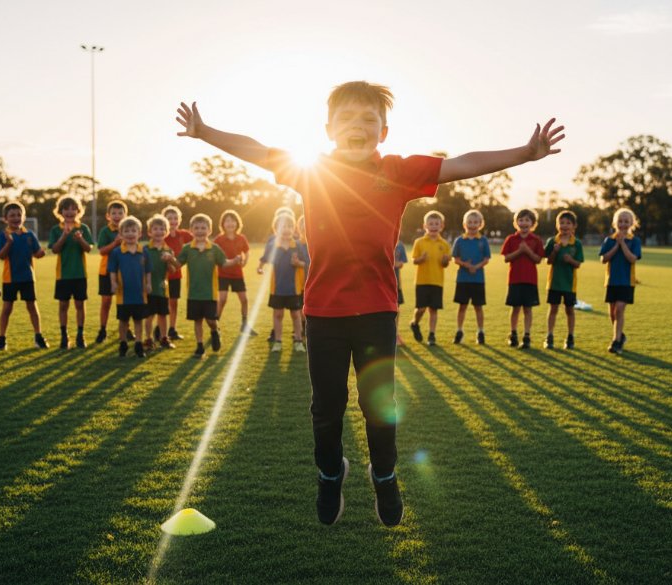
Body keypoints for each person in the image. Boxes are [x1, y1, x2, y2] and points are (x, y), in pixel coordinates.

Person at [175, 80, 564, 526]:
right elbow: (258, 150)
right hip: (323, 313)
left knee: (379, 406)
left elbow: (464, 163)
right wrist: (205, 132)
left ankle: (384, 476)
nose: (356, 126)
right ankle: (329, 473)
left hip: (377, 312)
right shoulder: (311, 171)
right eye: (346, 118)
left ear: (383, 131)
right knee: (326, 410)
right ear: (328, 129)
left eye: (368, 119)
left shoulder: (399, 171)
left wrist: (523, 152)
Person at [173, 214, 244, 359]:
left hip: (210, 293)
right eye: (196, 228)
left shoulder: (214, 249)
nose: (200, 231)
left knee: (211, 320)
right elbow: (178, 265)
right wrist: (170, 259)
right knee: (197, 320)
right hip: (193, 293)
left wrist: (235, 260)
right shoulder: (187, 249)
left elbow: (224, 263)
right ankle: (199, 347)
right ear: (191, 230)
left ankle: (214, 331)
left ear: (209, 230)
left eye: (203, 228)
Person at [0, 201, 48, 350]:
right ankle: (2, 338)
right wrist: (9, 243)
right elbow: (1, 256)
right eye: (12, 215)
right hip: (10, 278)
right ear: (5, 218)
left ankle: (38, 336)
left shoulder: (29, 235)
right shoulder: (3, 235)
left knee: (32, 306)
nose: (16, 218)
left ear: (23, 217)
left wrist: (41, 253)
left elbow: (37, 253)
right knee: (7, 309)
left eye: (19, 215)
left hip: (27, 277)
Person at [48, 196, 94, 349]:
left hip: (80, 274)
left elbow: (89, 248)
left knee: (80, 305)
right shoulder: (56, 229)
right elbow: (54, 249)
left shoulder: (83, 228)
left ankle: (80, 335)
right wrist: (64, 235)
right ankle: (64, 336)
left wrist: (80, 239)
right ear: (60, 211)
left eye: (73, 208)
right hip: (63, 275)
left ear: (78, 211)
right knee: (63, 306)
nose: (70, 211)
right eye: (66, 208)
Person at [259, 214, 309, 352]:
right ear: (276, 229)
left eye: (289, 226)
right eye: (283, 226)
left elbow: (306, 263)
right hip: (277, 288)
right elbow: (264, 258)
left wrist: (298, 263)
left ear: (294, 229)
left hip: (294, 288)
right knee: (278, 314)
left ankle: (298, 340)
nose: (286, 229)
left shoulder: (297, 245)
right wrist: (260, 267)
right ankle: (278, 341)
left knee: (296, 314)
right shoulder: (273, 245)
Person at [600, 207, 642, 355]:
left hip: (626, 282)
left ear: (632, 223)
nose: (623, 224)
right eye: (620, 221)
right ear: (615, 223)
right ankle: (621, 335)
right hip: (611, 281)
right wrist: (616, 245)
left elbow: (632, 259)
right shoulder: (609, 240)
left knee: (619, 309)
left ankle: (616, 341)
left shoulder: (635, 241)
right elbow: (603, 259)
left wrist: (623, 244)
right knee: (612, 313)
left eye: (626, 221)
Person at [108, 216, 151, 358]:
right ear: (120, 234)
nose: (130, 234)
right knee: (123, 321)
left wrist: (148, 284)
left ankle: (139, 344)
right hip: (123, 294)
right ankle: (123, 343)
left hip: (139, 293)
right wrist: (113, 283)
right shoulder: (116, 252)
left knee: (138, 320)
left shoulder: (144, 251)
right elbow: (112, 270)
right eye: (126, 231)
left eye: (134, 231)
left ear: (139, 234)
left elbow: (148, 271)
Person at [501, 209, 545, 349]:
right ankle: (513, 334)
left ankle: (526, 336)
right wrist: (519, 251)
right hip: (514, 279)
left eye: (527, 220)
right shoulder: (511, 239)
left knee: (528, 309)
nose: (524, 223)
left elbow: (538, 259)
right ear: (516, 223)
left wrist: (527, 251)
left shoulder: (536, 240)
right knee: (515, 308)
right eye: (521, 220)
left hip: (530, 280)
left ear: (533, 223)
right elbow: (506, 258)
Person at [542, 210, 584, 350]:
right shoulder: (552, 241)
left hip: (569, 285)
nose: (564, 226)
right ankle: (549, 336)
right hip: (554, 283)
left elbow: (578, 264)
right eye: (562, 222)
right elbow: (548, 261)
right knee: (553, 309)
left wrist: (570, 260)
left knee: (569, 310)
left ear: (574, 226)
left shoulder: (576, 244)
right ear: (557, 225)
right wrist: (554, 251)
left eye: (568, 223)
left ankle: (570, 337)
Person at [410, 211, 451, 346]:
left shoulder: (444, 244)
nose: (433, 226)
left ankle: (431, 335)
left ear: (441, 226)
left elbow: (445, 265)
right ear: (425, 225)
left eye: (436, 224)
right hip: (422, 281)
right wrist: (421, 259)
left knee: (433, 309)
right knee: (421, 309)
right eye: (431, 224)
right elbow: (414, 261)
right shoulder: (419, 242)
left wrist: (445, 261)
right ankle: (415, 323)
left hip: (437, 281)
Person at [451, 209, 491, 344]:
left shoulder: (483, 240)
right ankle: (459, 331)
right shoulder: (460, 240)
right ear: (464, 224)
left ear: (480, 224)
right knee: (462, 306)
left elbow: (486, 259)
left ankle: (480, 332)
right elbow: (455, 258)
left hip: (478, 279)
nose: (472, 225)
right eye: (469, 222)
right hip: (463, 279)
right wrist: (466, 265)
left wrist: (476, 267)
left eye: (475, 222)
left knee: (478, 307)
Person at [214, 209, 255, 336]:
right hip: (223, 274)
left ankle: (244, 324)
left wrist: (245, 262)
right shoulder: (219, 239)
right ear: (223, 224)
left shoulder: (241, 238)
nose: (230, 224)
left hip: (237, 274)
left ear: (237, 223)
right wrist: (231, 261)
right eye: (227, 221)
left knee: (244, 300)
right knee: (222, 300)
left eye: (233, 221)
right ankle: (215, 325)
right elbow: (215, 256)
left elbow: (247, 251)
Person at [95, 200, 128, 344]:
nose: (117, 216)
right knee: (106, 301)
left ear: (125, 215)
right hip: (107, 271)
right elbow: (102, 251)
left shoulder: (129, 230)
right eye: (113, 213)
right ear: (108, 216)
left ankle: (127, 329)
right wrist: (115, 243)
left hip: (125, 270)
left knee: (125, 302)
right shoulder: (105, 231)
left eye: (120, 213)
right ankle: (102, 329)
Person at [161, 206, 194, 341]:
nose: (173, 221)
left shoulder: (184, 235)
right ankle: (160, 329)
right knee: (162, 303)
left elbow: (196, 241)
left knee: (174, 302)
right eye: (169, 218)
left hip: (177, 275)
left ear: (179, 220)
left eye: (175, 218)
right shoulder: (162, 235)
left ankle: (172, 329)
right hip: (163, 276)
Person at [143, 215, 176, 350]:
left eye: (162, 229)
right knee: (149, 315)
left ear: (166, 231)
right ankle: (149, 339)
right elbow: (141, 268)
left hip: (162, 287)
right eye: (155, 229)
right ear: (150, 232)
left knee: (163, 314)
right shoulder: (145, 249)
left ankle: (164, 338)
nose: (159, 231)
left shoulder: (168, 251)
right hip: (149, 288)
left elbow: (173, 270)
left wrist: (169, 262)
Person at [393, 239, 407, 347]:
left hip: (395, 283)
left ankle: (395, 333)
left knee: (396, 309)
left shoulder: (400, 245)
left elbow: (401, 263)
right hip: (377, 284)